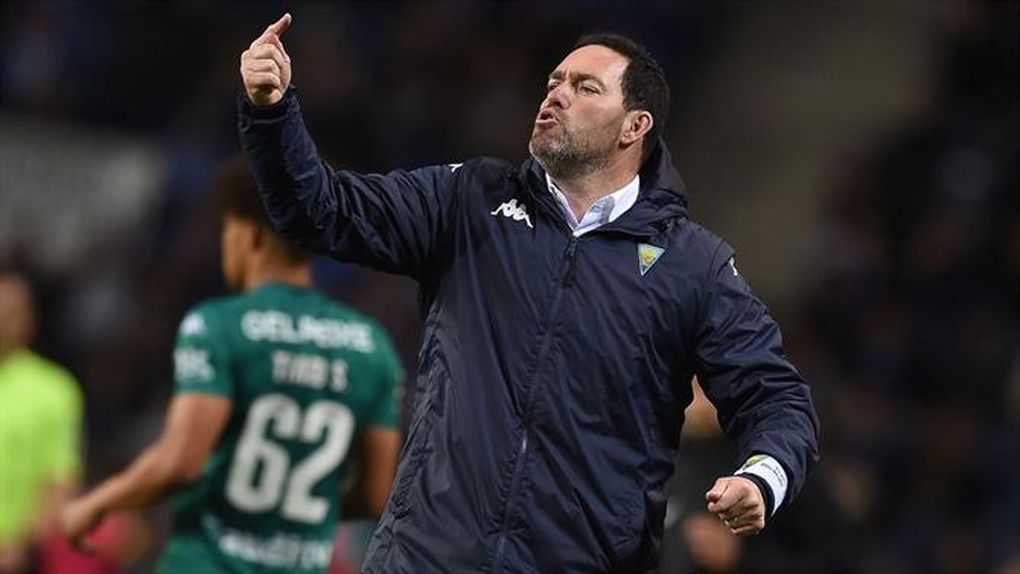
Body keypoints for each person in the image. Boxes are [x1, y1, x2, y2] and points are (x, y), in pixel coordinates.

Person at [238, 14, 820, 573]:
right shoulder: (470, 200)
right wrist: (272, 113)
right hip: (426, 559)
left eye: (585, 87)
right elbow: (321, 210)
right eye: (554, 82)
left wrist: (762, 478)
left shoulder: (693, 265)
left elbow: (777, 398)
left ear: (634, 126)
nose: (557, 95)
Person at [61, 157, 405, 573]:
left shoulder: (220, 326)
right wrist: (295, 511)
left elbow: (181, 462)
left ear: (250, 235)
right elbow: (376, 494)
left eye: (226, 229)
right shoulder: (371, 345)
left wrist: (98, 502)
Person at [0, 271, 83, 573]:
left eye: (11, 312)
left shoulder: (55, 390)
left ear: (31, 319)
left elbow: (61, 480)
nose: (2, 320)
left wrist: (20, 549)